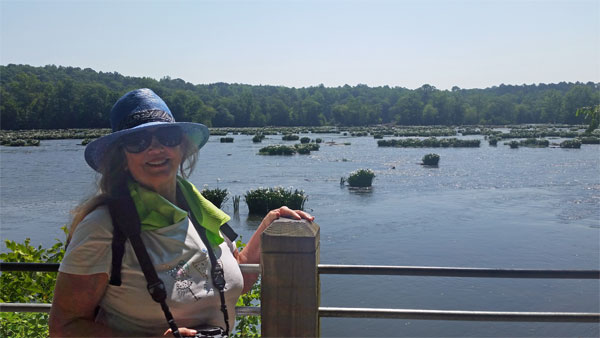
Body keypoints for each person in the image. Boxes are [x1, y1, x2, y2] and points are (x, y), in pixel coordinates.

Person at [49, 88, 314, 337]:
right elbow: (64, 327)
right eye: (138, 141)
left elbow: (233, 282)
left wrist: (269, 224)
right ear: (121, 158)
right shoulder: (103, 227)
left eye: (167, 138)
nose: (155, 149)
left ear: (182, 148)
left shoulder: (200, 211)